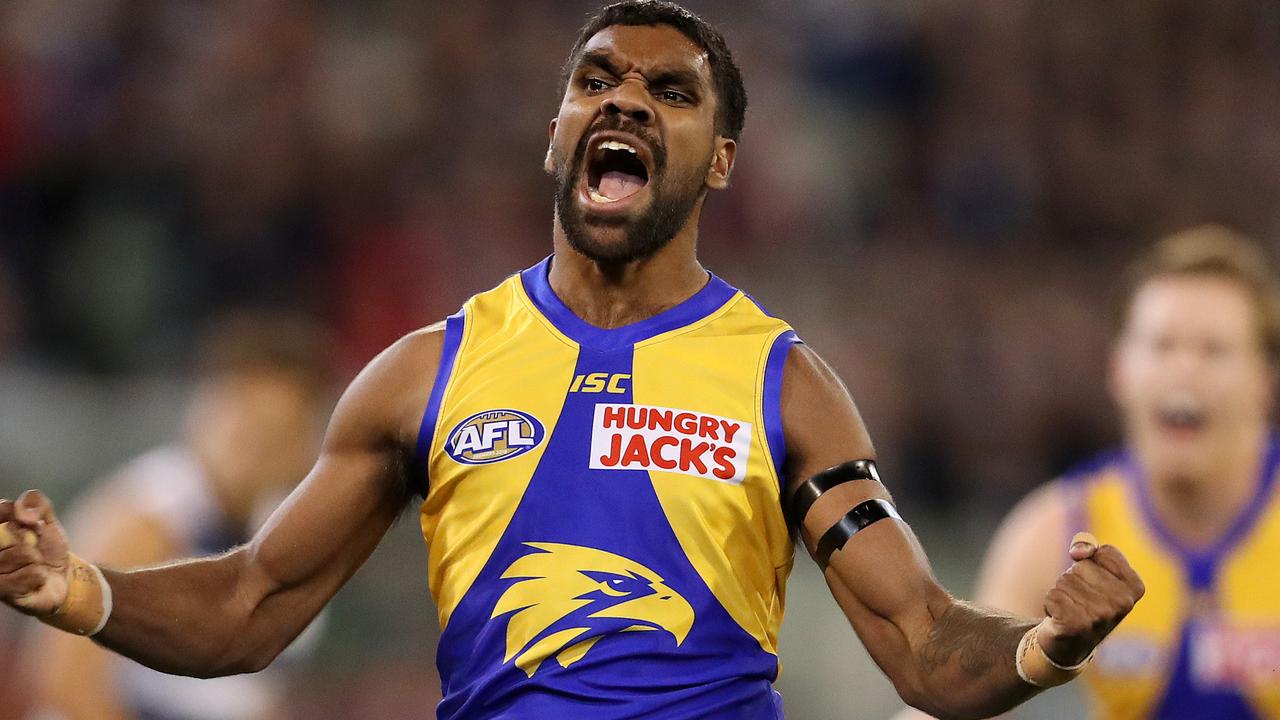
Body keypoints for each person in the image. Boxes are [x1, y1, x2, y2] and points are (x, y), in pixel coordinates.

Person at [0, 3, 1145, 718]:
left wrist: (1041, 647)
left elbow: (919, 641)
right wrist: (79, 591)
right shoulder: (424, 373)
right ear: (556, 134)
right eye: (596, 82)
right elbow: (251, 602)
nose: (626, 101)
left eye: (670, 91)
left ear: (724, 160)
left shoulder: (781, 383)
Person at [900, 225, 1280, 720]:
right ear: (1120, 369)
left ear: (1263, 381)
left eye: (1213, 349)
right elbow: (956, 702)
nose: (1185, 369)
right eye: (1162, 345)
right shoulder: (1060, 528)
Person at [29, 312, 331, 720]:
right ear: (203, 411)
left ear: (305, 443)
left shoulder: (287, 534)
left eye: (274, 436)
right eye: (244, 426)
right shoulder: (146, 516)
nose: (251, 454)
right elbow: (68, 683)